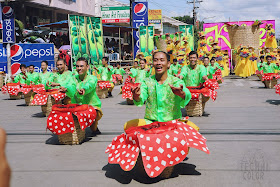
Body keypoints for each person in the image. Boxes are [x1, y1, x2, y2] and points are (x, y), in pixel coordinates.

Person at [124, 51, 192, 129]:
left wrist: (181, 94)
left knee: (192, 128)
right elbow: (140, 98)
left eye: (162, 60)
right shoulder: (147, 82)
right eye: (155, 60)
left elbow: (187, 93)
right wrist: (136, 96)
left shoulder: (175, 81)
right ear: (153, 64)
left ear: (168, 64)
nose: (158, 63)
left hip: (172, 123)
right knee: (128, 125)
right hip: (151, 123)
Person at [71, 57, 102, 134]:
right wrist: (64, 88)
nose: (79, 68)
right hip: (77, 106)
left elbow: (90, 85)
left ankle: (93, 125)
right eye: (77, 66)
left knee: (93, 126)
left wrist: (84, 89)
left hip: (91, 106)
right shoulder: (73, 78)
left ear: (87, 67)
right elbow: (69, 85)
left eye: (81, 66)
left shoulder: (92, 78)